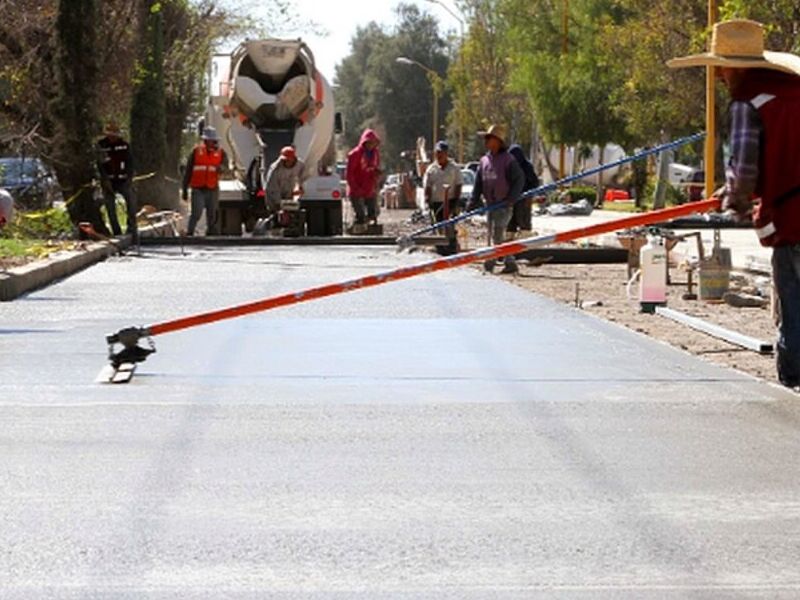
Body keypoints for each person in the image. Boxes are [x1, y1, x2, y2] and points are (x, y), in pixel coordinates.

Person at [668, 19, 800, 389]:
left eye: (722, 68)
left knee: (794, 307)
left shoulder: (749, 103)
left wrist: (733, 202)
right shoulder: (795, 93)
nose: (720, 76)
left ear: (739, 68)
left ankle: (791, 394)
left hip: (793, 223)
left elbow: (743, 173)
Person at [469, 124, 525, 274]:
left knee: (498, 233)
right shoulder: (484, 161)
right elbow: (478, 182)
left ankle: (491, 261)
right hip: (491, 204)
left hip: (503, 204)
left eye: (489, 138)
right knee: (494, 234)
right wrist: (474, 200)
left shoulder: (508, 160)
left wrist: (511, 198)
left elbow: (519, 179)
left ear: (498, 141)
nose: (486, 141)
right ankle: (508, 261)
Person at [182, 127, 228, 236]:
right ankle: (190, 233)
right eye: (207, 140)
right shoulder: (196, 152)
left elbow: (226, 167)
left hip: (212, 188)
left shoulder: (221, 153)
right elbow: (188, 171)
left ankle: (211, 234)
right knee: (196, 212)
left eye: (212, 140)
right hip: (198, 188)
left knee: (212, 214)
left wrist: (222, 168)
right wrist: (184, 189)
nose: (210, 142)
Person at [97, 122, 137, 238]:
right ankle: (116, 231)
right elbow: (100, 165)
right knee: (110, 206)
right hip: (108, 181)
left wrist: (129, 179)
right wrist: (105, 180)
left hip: (123, 181)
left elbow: (130, 163)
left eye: (114, 134)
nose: (112, 137)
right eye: (110, 134)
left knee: (131, 201)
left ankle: (132, 229)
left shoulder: (124, 145)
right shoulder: (101, 145)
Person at [423, 141, 463, 254]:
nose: (439, 155)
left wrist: (456, 201)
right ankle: (439, 246)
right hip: (436, 202)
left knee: (449, 224)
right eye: (437, 153)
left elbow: (459, 184)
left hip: (450, 201)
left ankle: (451, 245)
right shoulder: (431, 169)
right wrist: (427, 199)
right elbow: (428, 185)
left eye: (442, 153)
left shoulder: (454, 168)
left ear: (446, 153)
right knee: (438, 224)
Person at [346, 129, 382, 230]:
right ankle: (358, 225)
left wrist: (376, 173)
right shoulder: (354, 154)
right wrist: (355, 187)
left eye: (373, 142)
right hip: (356, 187)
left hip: (369, 187)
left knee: (372, 212)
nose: (371, 145)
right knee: (360, 214)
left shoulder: (375, 154)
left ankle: (371, 226)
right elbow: (349, 174)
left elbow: (374, 167)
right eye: (369, 142)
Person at [507, 144, 539, 237]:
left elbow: (534, 182)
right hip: (512, 198)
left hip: (524, 198)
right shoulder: (509, 167)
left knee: (524, 221)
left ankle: (526, 240)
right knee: (510, 222)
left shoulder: (527, 166)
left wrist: (529, 195)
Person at [263, 146, 305, 215]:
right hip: (274, 197)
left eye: (288, 160)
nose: (287, 161)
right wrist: (279, 203)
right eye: (285, 159)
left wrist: (301, 188)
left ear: (293, 158)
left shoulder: (300, 165)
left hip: (289, 195)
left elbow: (303, 177)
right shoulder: (275, 168)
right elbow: (272, 187)